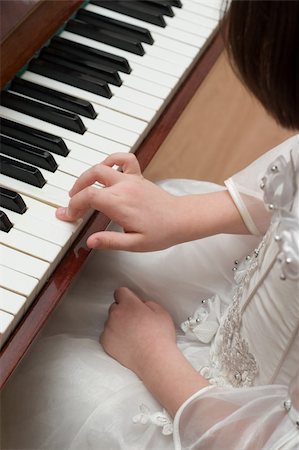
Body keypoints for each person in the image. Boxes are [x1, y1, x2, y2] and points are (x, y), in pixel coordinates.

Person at [1, 1, 298, 449]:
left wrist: (152, 356)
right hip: (249, 302)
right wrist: (188, 214)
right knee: (95, 261)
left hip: (220, 418)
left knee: (35, 372)